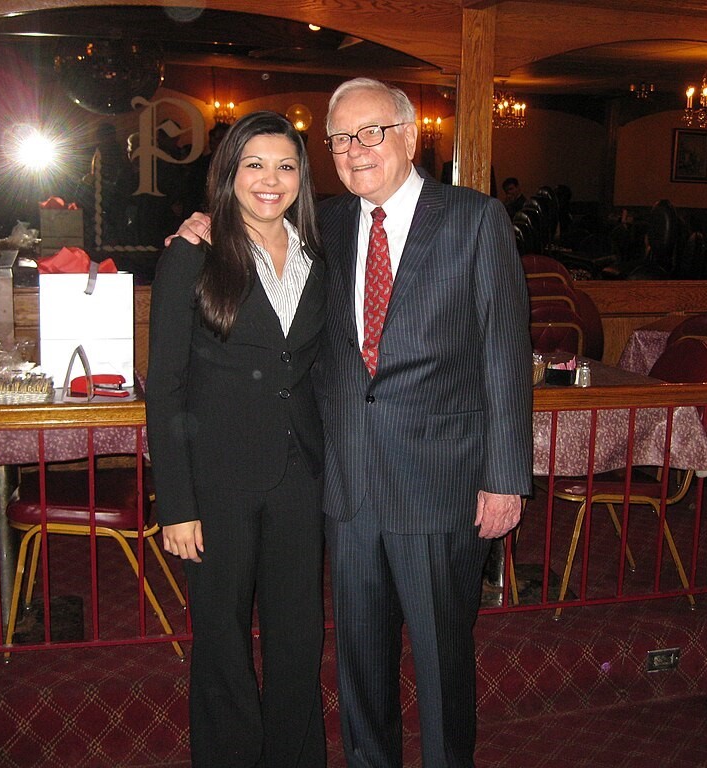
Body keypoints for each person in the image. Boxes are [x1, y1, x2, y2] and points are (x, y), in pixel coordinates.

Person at [172, 79, 532, 767]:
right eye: (340, 138)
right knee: (360, 666)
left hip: (440, 484)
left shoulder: (475, 219)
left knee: (440, 662)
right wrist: (205, 226)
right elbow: (255, 232)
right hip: (348, 485)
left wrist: (505, 477)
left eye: (371, 132)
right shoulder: (326, 225)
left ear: (409, 135)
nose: (355, 149)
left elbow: (504, 355)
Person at [146, 110, 327, 768]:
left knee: (297, 639)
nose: (269, 179)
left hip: (299, 475)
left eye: (285, 165)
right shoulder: (192, 255)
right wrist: (176, 504)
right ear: (229, 174)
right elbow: (163, 386)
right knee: (221, 641)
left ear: (301, 177)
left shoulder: (316, 250)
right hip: (216, 481)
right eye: (254, 164)